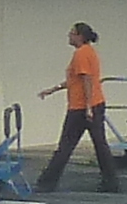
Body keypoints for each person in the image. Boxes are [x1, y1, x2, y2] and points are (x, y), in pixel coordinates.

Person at [36, 21, 122, 194]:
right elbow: (74, 80)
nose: (69, 35)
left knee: (66, 145)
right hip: (93, 105)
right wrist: (53, 90)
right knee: (100, 144)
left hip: (81, 108)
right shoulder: (88, 52)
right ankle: (110, 182)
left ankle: (47, 182)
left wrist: (88, 107)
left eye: (72, 33)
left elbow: (87, 80)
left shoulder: (81, 54)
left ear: (80, 36)